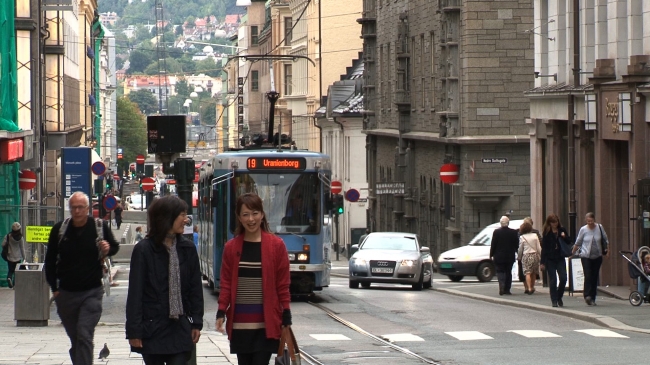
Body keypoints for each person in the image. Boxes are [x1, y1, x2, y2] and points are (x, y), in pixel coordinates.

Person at [126, 195, 204, 365]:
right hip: (152, 329)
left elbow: (195, 289)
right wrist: (134, 331)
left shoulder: (187, 248)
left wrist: (196, 322)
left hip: (179, 327)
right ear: (167, 218)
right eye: (182, 215)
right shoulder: (144, 250)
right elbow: (135, 294)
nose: (186, 220)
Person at [44, 191, 120, 365]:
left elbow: (115, 248)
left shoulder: (99, 227)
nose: (77, 211)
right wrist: (54, 289)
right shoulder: (60, 230)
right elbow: (49, 261)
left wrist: (108, 248)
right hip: (66, 294)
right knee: (76, 339)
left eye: (80, 207)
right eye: (73, 208)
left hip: (92, 292)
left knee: (84, 334)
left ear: (88, 209)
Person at [216, 193, 292, 365]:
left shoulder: (276, 246)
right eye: (245, 214)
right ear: (239, 218)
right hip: (240, 325)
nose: (251, 219)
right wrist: (221, 311)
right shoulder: (231, 247)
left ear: (262, 214)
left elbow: (283, 284)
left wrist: (286, 313)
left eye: (255, 213)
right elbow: (226, 283)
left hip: (266, 324)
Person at [572, 212, 609, 306]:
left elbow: (605, 239)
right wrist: (572, 252)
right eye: (588, 221)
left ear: (594, 220)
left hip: (597, 256)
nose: (590, 223)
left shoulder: (599, 227)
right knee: (588, 275)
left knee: (594, 276)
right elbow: (578, 241)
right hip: (585, 256)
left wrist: (608, 251)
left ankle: (593, 297)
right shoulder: (583, 229)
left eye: (591, 221)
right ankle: (587, 295)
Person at [540, 214, 570, 307]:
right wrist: (542, 262)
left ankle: (559, 296)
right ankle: (554, 300)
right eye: (553, 223)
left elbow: (569, 241)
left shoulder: (562, 230)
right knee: (553, 280)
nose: (555, 224)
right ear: (549, 223)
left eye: (556, 222)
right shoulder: (546, 232)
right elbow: (544, 248)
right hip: (550, 259)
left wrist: (564, 236)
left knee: (563, 278)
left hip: (560, 258)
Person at [489, 216, 519, 295]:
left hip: (499, 256)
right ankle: (507, 289)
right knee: (508, 272)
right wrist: (517, 252)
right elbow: (516, 245)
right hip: (510, 256)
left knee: (500, 271)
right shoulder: (513, 232)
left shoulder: (496, 232)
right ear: (508, 223)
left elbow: (493, 244)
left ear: (500, 223)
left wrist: (491, 254)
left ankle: (501, 284)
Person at [518, 221, 542, 295]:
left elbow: (520, 248)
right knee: (534, 272)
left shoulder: (522, 237)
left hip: (526, 255)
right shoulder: (535, 235)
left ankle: (529, 288)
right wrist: (541, 256)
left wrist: (519, 256)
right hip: (534, 255)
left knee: (527, 273)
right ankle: (532, 286)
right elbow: (538, 247)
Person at [2, 222, 26, 288]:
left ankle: (9, 277)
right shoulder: (21, 238)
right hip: (18, 257)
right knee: (16, 271)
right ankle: (15, 284)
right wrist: (24, 258)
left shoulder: (8, 236)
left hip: (10, 256)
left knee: (10, 270)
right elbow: (22, 248)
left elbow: (3, 244)